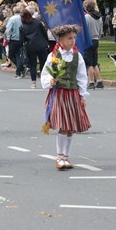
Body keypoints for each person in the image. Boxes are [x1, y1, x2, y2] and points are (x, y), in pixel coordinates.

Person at [40, 24, 91, 170]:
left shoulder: (77, 56)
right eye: (69, 38)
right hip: (60, 94)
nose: (73, 41)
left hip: (73, 94)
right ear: (60, 39)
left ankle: (66, 157)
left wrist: (82, 95)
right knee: (63, 126)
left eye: (74, 38)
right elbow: (45, 72)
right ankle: (60, 156)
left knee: (70, 128)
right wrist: (50, 80)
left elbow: (82, 76)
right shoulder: (54, 55)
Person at [19, 7, 49, 90]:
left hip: (30, 46)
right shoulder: (37, 22)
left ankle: (33, 82)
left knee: (33, 65)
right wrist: (46, 42)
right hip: (41, 44)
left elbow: (21, 39)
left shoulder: (22, 27)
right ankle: (44, 81)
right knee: (44, 63)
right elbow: (44, 32)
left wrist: (23, 46)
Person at [83, 0, 104, 89]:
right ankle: (99, 80)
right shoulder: (99, 17)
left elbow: (85, 30)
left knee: (89, 63)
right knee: (95, 62)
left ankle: (91, 81)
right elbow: (100, 30)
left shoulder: (87, 17)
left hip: (89, 40)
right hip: (96, 39)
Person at [5, 4, 25, 78]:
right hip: (21, 39)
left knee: (11, 55)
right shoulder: (23, 18)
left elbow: (8, 30)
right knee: (18, 55)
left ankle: (19, 70)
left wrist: (7, 38)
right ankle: (20, 69)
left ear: (14, 11)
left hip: (13, 39)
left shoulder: (12, 19)